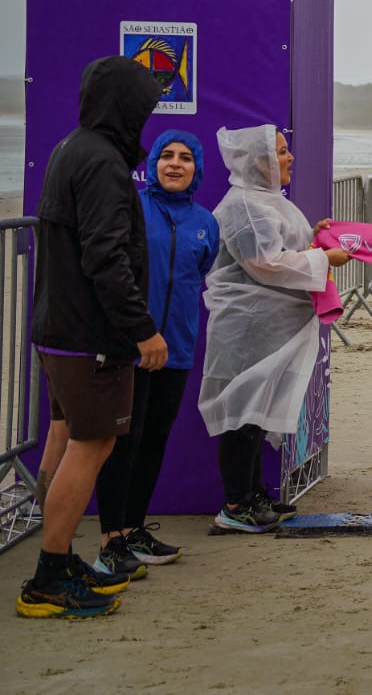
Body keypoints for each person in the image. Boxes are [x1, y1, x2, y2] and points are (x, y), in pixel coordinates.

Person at [20, 56, 166, 619]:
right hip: (90, 336)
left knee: (67, 441)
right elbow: (105, 257)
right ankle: (47, 579)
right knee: (92, 446)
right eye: (144, 105)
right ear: (124, 105)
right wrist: (142, 329)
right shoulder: (103, 160)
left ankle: (57, 560)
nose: (146, 116)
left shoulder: (70, 147)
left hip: (59, 328)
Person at [199, 126, 352, 533]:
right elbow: (265, 263)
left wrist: (317, 238)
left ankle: (252, 494)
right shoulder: (244, 205)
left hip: (269, 326)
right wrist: (325, 259)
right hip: (248, 327)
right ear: (260, 161)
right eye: (282, 152)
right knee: (243, 414)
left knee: (258, 412)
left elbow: (287, 248)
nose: (290, 158)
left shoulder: (270, 201)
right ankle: (235, 505)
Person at [90, 131, 219, 577]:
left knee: (153, 442)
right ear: (154, 165)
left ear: (196, 168)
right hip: (132, 347)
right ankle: (110, 540)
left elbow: (201, 269)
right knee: (123, 442)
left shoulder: (206, 222)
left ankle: (133, 529)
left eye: (185, 158)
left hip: (176, 348)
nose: (175, 164)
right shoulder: (133, 208)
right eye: (167, 156)